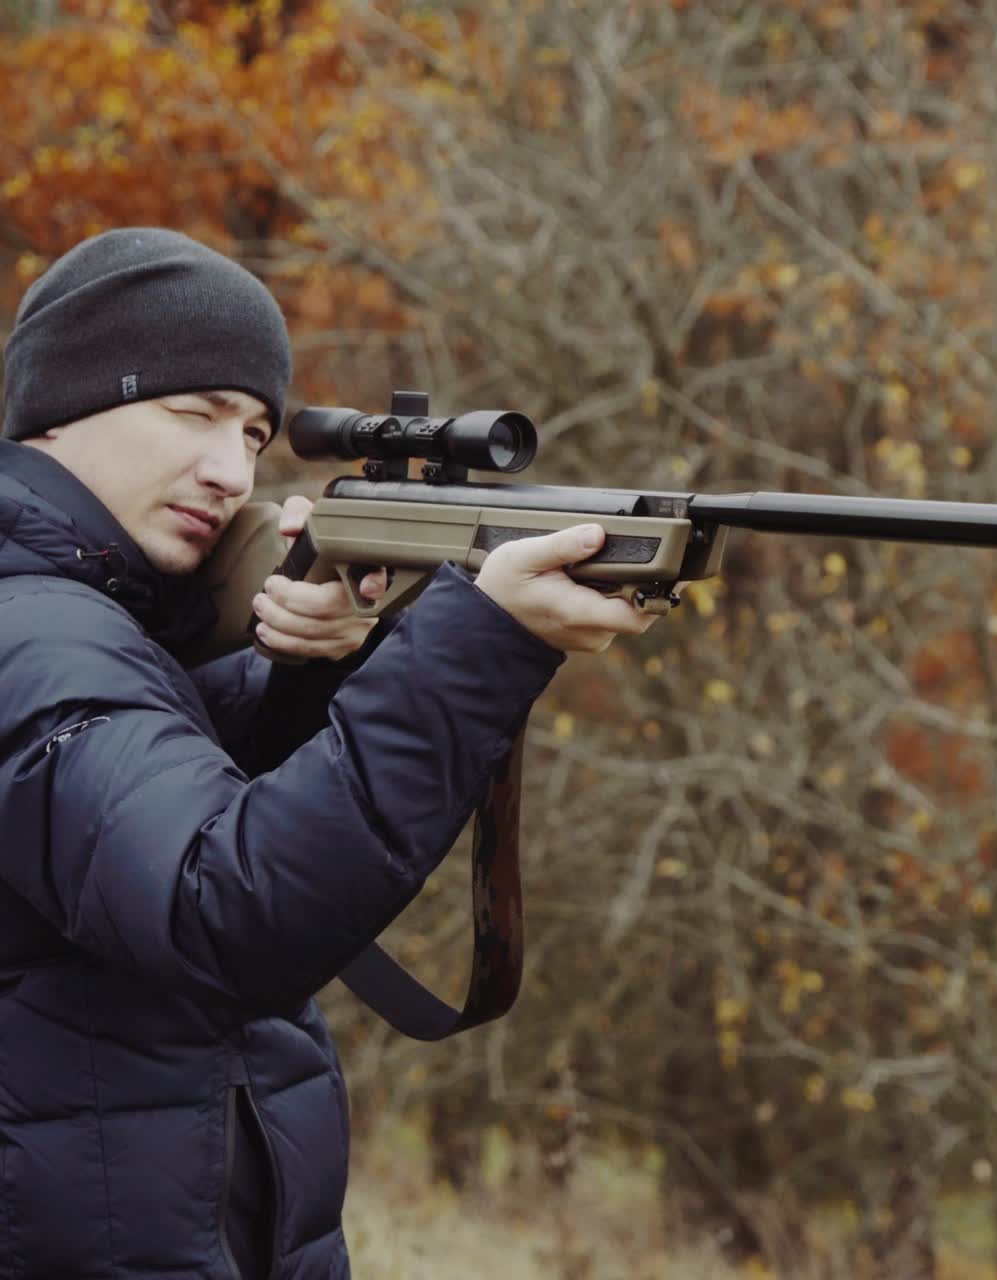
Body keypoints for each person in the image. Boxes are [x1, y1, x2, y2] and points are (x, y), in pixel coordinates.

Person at [0, 228, 656, 1278]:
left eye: (255, 431)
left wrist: (313, 675)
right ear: (66, 401)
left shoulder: (122, 629)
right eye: (192, 412)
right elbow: (225, 907)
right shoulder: (33, 634)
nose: (227, 467)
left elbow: (172, 794)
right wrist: (478, 645)